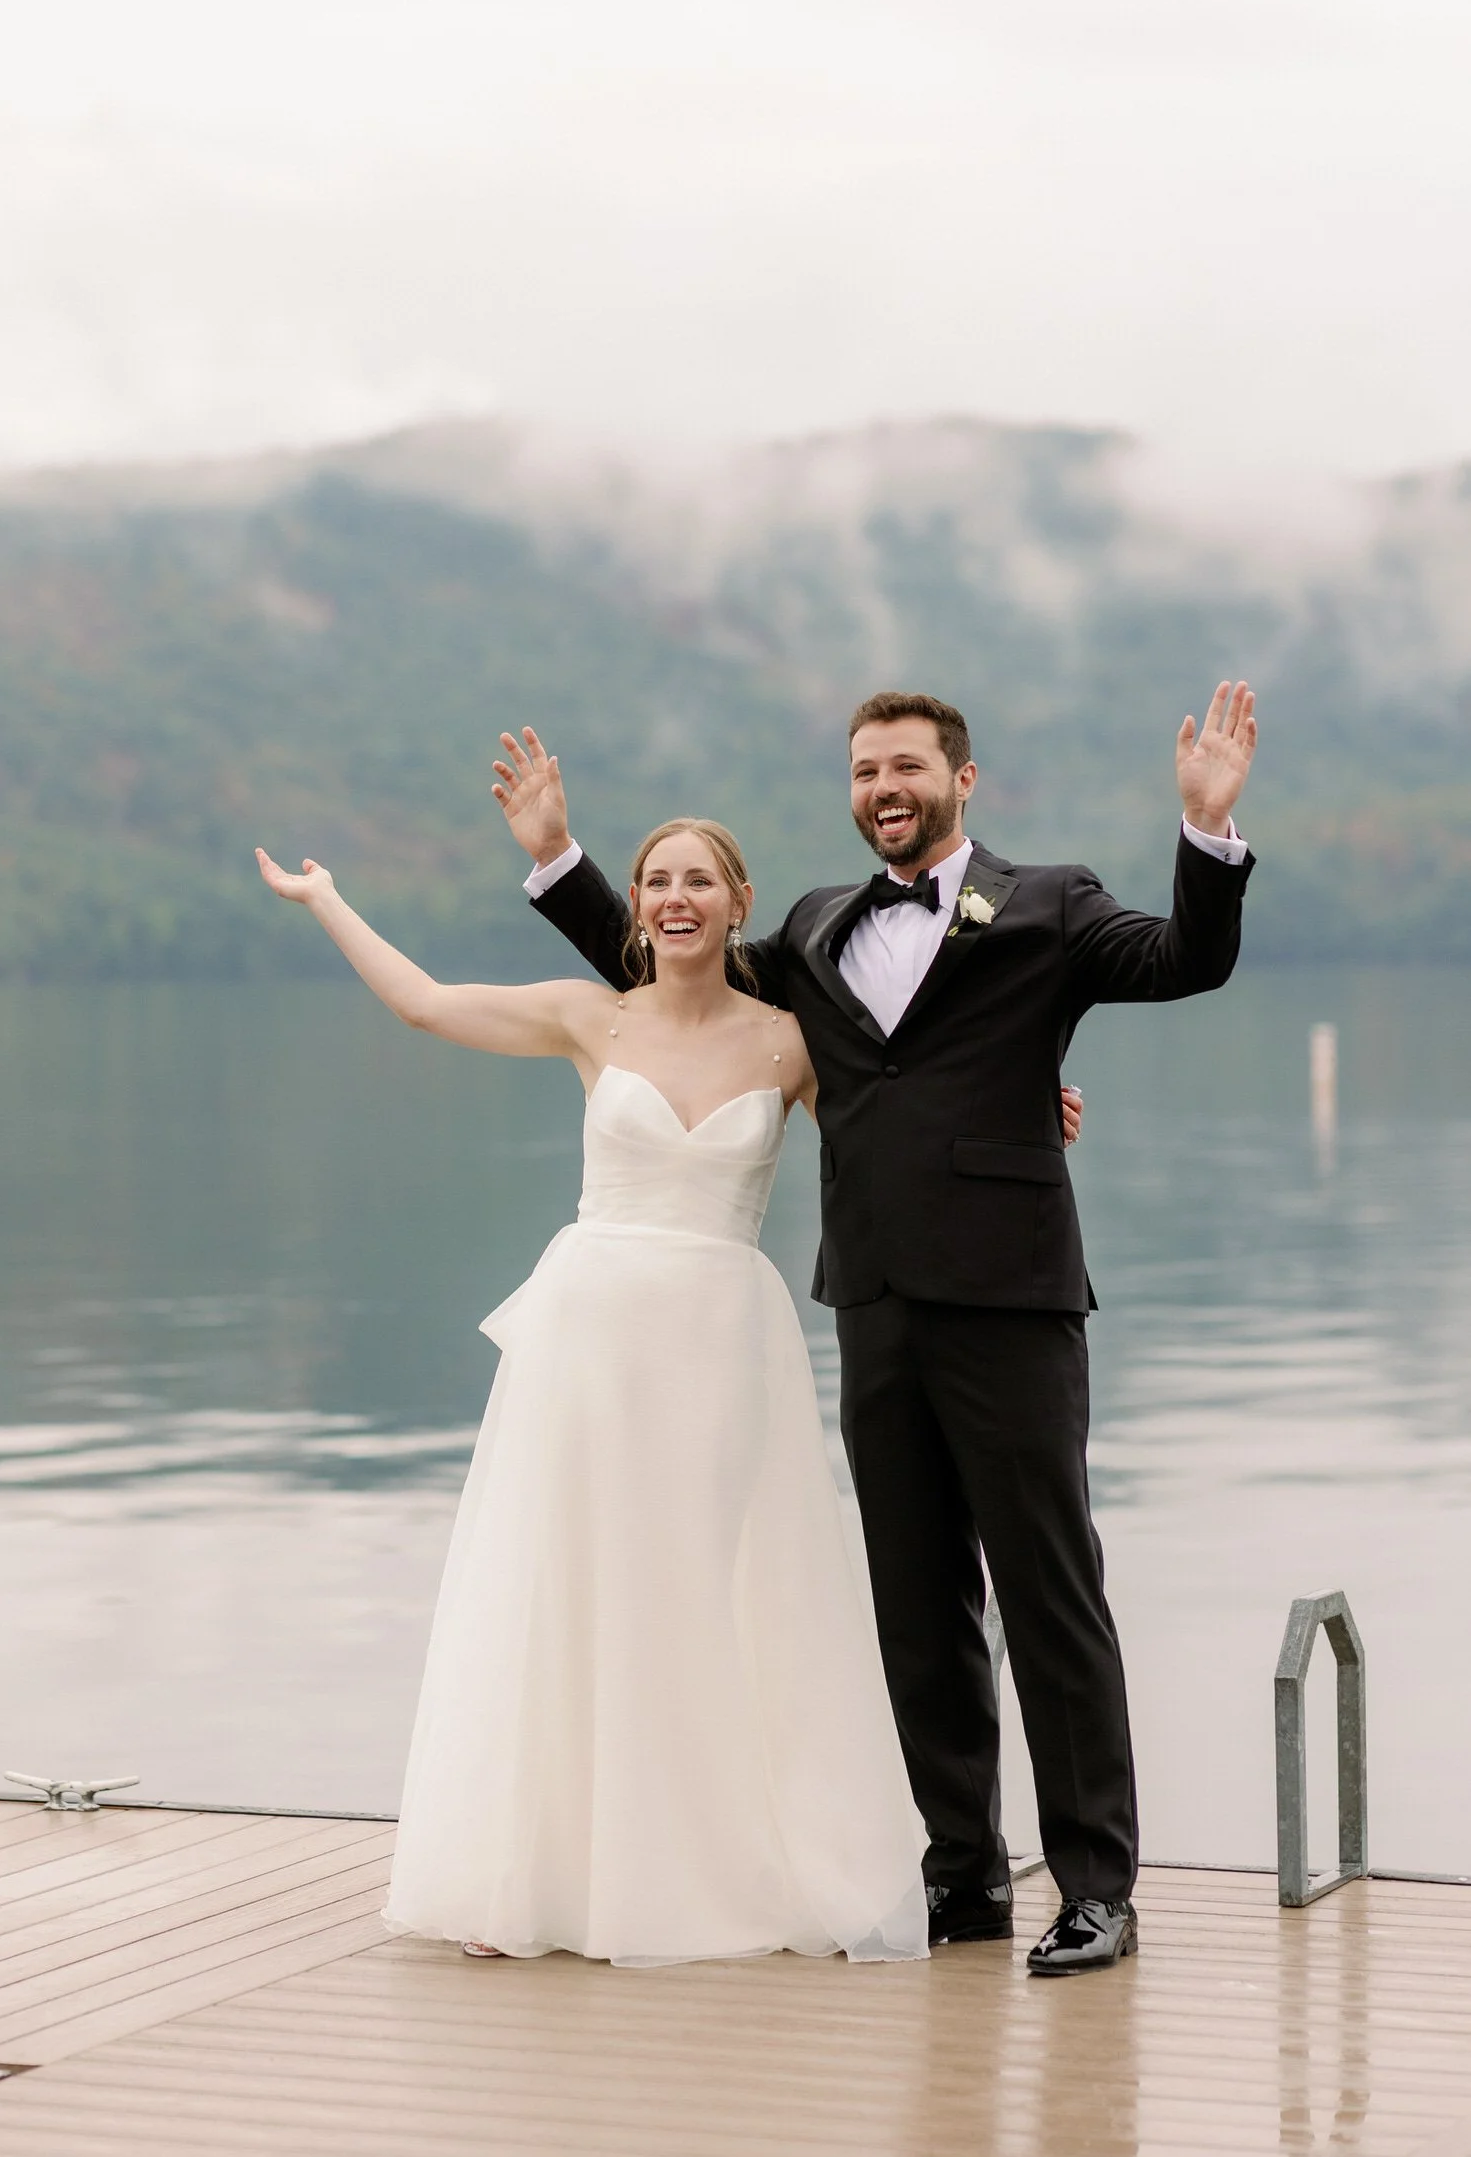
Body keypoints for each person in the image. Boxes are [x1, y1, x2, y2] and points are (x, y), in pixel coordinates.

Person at [494, 681, 1258, 1976]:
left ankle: (1094, 1888)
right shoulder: (807, 926)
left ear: (964, 780)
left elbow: (1185, 962)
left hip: (1012, 1305)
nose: (881, 789)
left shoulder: (1049, 906)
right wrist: (560, 861)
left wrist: (1204, 836)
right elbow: (674, 980)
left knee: (1048, 1594)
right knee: (916, 1606)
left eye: (903, 767)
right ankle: (960, 1876)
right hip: (875, 1308)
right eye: (861, 772)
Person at [259, 818, 951, 1965]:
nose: (676, 898)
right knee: (569, 1578)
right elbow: (424, 1003)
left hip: (723, 1343)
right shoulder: (591, 1016)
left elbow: (898, 1136)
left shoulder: (791, 1042)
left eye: (698, 882)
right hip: (589, 1338)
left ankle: (701, 1863)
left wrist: (1035, 1117)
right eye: (656, 882)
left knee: (706, 1590)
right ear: (633, 905)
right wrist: (326, 899)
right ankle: (541, 1873)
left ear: (738, 902)